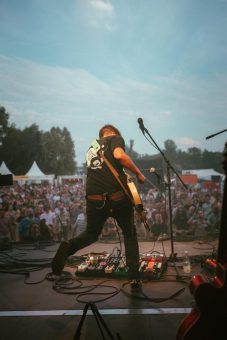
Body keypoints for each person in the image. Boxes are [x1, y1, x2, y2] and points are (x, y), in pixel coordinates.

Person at [51, 124, 146, 289]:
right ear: (113, 133)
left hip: (93, 198)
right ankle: (134, 278)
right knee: (129, 233)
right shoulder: (115, 138)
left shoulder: (92, 147)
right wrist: (138, 173)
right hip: (116, 198)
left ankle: (67, 249)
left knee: (91, 234)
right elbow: (119, 155)